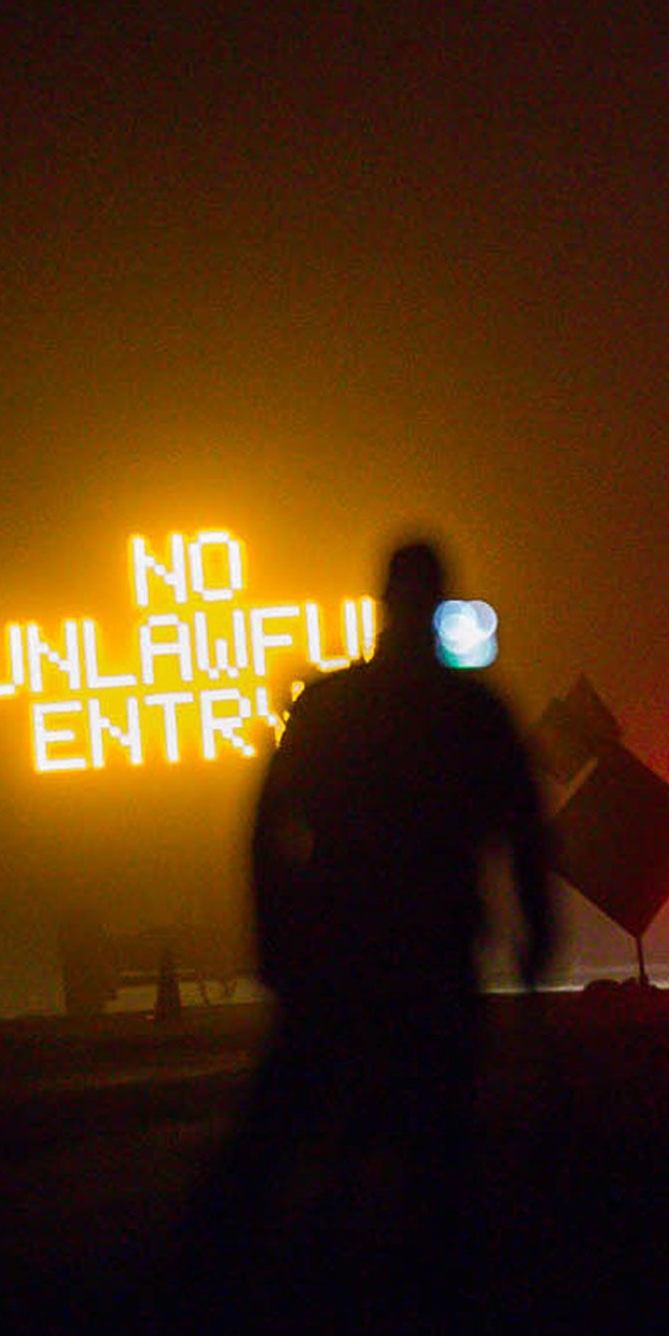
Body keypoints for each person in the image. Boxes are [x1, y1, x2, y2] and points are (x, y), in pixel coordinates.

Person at [192, 537, 555, 1280]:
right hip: (435, 954)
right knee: (436, 1141)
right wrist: (536, 934)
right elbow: (522, 830)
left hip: (336, 955)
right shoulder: (474, 712)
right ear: (442, 604)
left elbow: (266, 828)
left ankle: (208, 1290)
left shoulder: (331, 705)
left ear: (381, 603)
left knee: (279, 1132)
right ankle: (431, 1310)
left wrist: (273, 939)